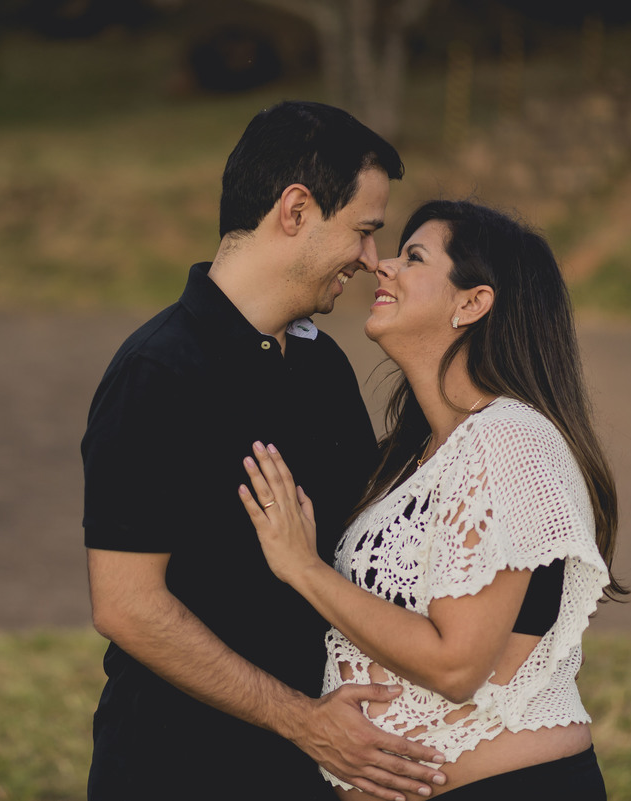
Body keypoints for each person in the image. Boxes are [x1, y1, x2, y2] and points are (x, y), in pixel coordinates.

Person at [82, 101, 449, 801]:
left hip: (308, 771)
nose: (372, 261)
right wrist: (304, 721)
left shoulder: (324, 366)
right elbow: (126, 605)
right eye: (364, 231)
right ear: (296, 209)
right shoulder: (159, 372)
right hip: (177, 771)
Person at [238, 200, 628, 799]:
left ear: (473, 302)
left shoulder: (509, 438)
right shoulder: (415, 454)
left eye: (413, 256)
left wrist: (304, 569)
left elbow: (456, 665)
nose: (382, 267)